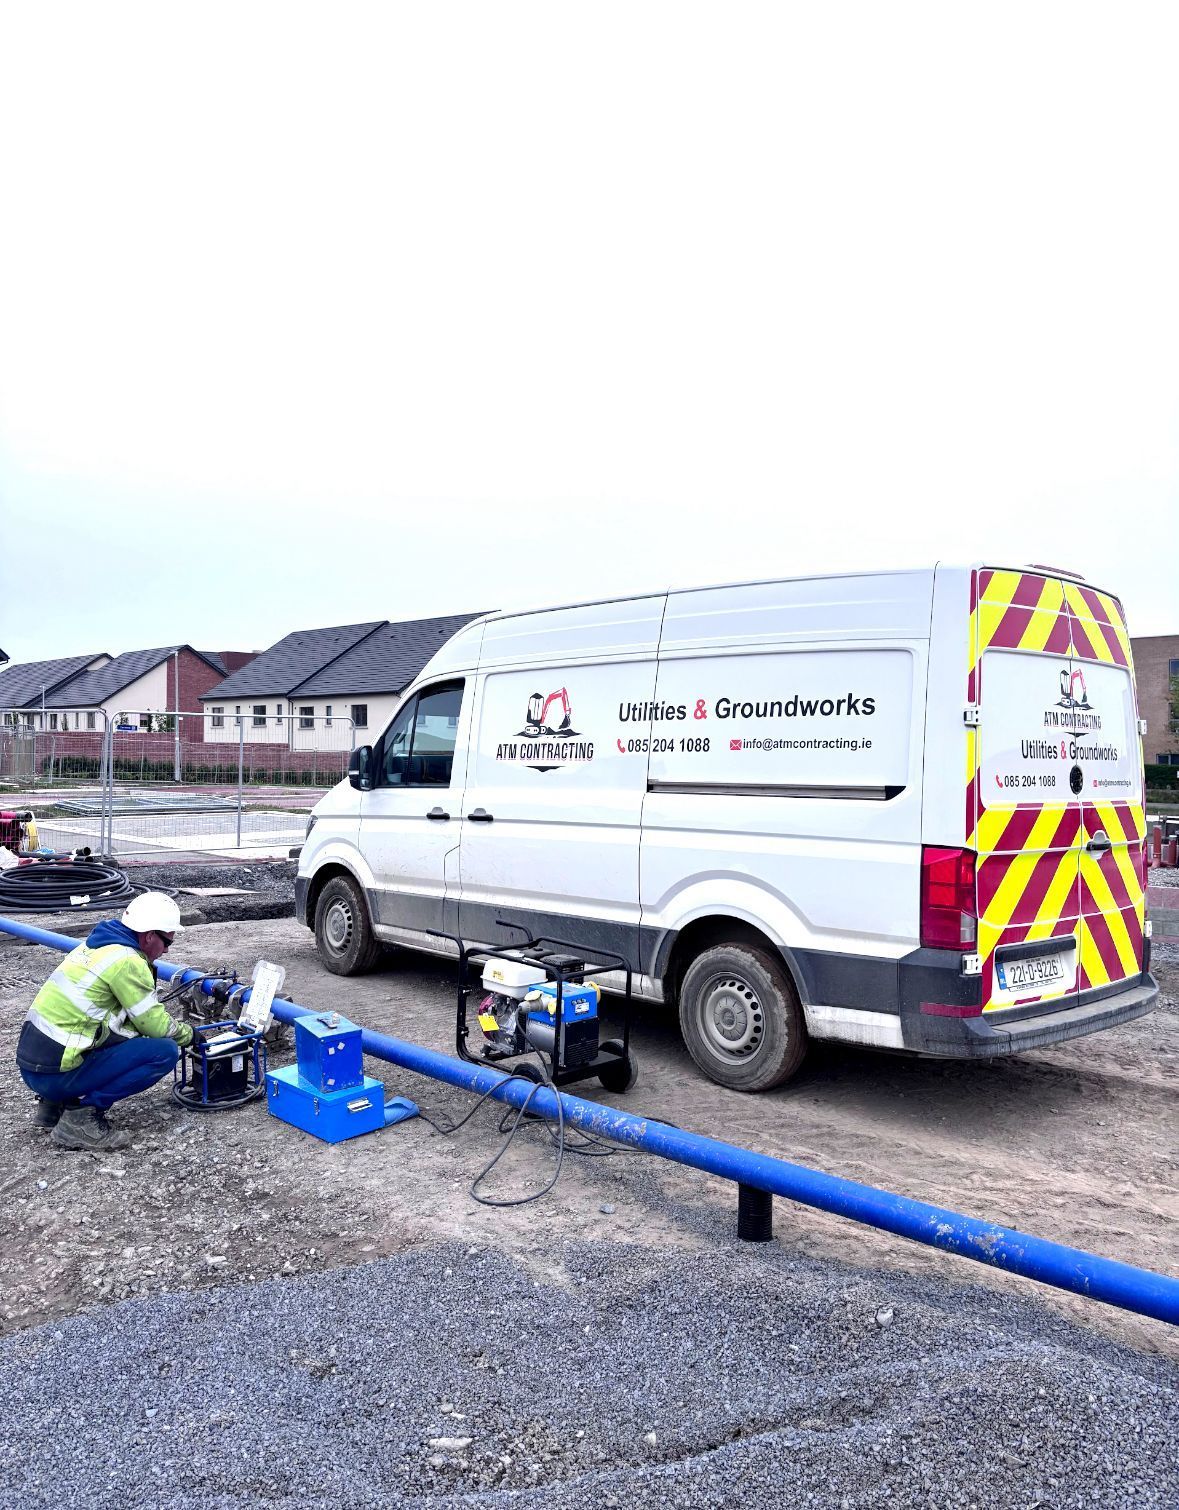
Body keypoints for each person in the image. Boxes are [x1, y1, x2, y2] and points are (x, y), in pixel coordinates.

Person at [15, 892, 195, 1151]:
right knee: (164, 1051)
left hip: (33, 1068)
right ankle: (81, 1120)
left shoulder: (95, 946)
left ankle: (52, 1107)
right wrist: (190, 1035)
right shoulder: (127, 961)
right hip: (53, 1076)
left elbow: (109, 1019)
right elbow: (152, 1025)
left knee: (118, 1036)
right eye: (167, 941)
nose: (167, 950)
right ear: (149, 936)